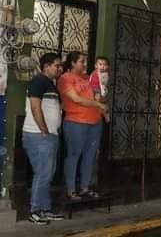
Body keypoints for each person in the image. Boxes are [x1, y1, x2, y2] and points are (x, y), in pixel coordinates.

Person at [58, 52, 107, 200]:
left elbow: (100, 96)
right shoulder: (65, 78)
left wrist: (103, 87)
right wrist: (97, 104)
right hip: (76, 122)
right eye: (81, 61)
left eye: (85, 61)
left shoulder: (88, 78)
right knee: (73, 155)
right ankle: (71, 189)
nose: (84, 64)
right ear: (72, 63)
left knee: (90, 156)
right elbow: (76, 99)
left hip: (95, 122)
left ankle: (85, 187)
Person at [23, 53, 64, 225]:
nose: (60, 68)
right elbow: (34, 105)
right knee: (43, 173)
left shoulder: (50, 84)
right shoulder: (38, 81)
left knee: (47, 173)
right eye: (57, 65)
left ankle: (45, 209)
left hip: (48, 136)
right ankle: (35, 211)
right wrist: (44, 130)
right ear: (46, 66)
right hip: (38, 135)